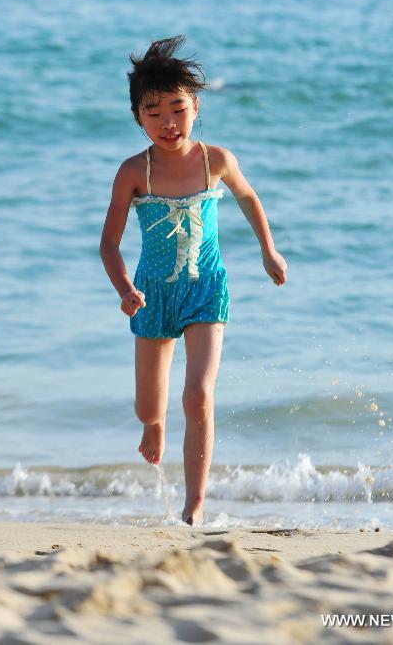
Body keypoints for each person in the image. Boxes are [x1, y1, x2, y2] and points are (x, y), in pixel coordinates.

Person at [99, 37, 287, 525]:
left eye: (178, 109)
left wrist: (268, 249)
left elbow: (248, 199)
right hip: (151, 293)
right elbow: (109, 243)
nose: (168, 122)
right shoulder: (132, 172)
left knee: (199, 394)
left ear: (196, 107)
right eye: (154, 111)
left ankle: (195, 504)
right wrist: (124, 290)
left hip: (207, 287)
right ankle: (154, 424)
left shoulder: (215, 160)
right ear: (137, 117)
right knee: (148, 407)